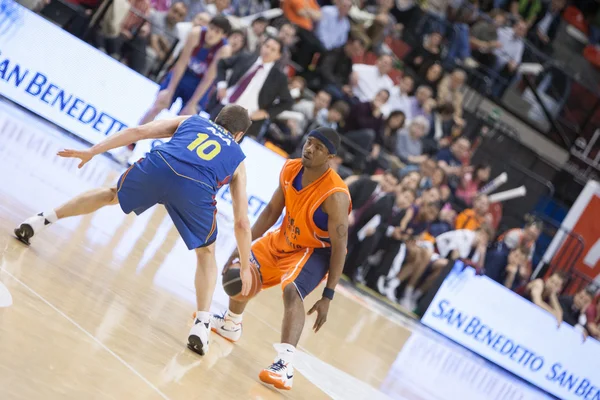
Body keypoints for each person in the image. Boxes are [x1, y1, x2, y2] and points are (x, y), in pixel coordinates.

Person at [14, 105, 253, 357]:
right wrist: (245, 266)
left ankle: (38, 221)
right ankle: (202, 324)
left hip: (161, 165)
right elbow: (242, 223)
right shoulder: (237, 157)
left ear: (217, 119)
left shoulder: (191, 121)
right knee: (206, 252)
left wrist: (93, 151)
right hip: (195, 188)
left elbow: (139, 131)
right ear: (238, 135)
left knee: (111, 195)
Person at [211, 127, 351, 390]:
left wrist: (328, 296)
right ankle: (231, 323)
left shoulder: (335, 195)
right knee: (240, 272)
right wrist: (243, 245)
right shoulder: (290, 168)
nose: (309, 149)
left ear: (329, 157)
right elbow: (272, 211)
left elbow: (341, 246)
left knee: (291, 291)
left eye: (318, 148)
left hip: (314, 250)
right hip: (284, 238)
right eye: (309, 142)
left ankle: (285, 366)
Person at [140, 16, 232, 124]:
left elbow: (209, 78)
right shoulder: (196, 34)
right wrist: (170, 90)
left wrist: (192, 103)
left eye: (217, 32)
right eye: (211, 28)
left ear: (223, 35)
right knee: (159, 104)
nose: (211, 34)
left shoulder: (224, 50)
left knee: (186, 120)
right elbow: (181, 63)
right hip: (183, 75)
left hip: (200, 84)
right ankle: (132, 140)